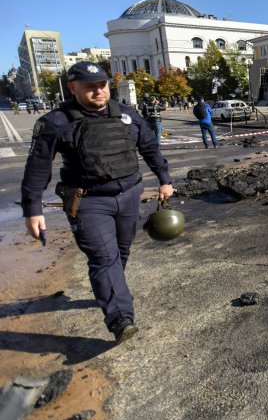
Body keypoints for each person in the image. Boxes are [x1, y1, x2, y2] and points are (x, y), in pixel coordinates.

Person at [20, 61, 173, 344]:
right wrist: (33, 208)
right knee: (104, 257)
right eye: (90, 87)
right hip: (88, 201)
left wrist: (164, 179)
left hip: (129, 196)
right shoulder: (56, 122)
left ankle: (111, 289)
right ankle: (120, 318)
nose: (98, 91)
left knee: (121, 251)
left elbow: (150, 147)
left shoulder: (126, 115)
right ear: (73, 88)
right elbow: (38, 166)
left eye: (102, 85)